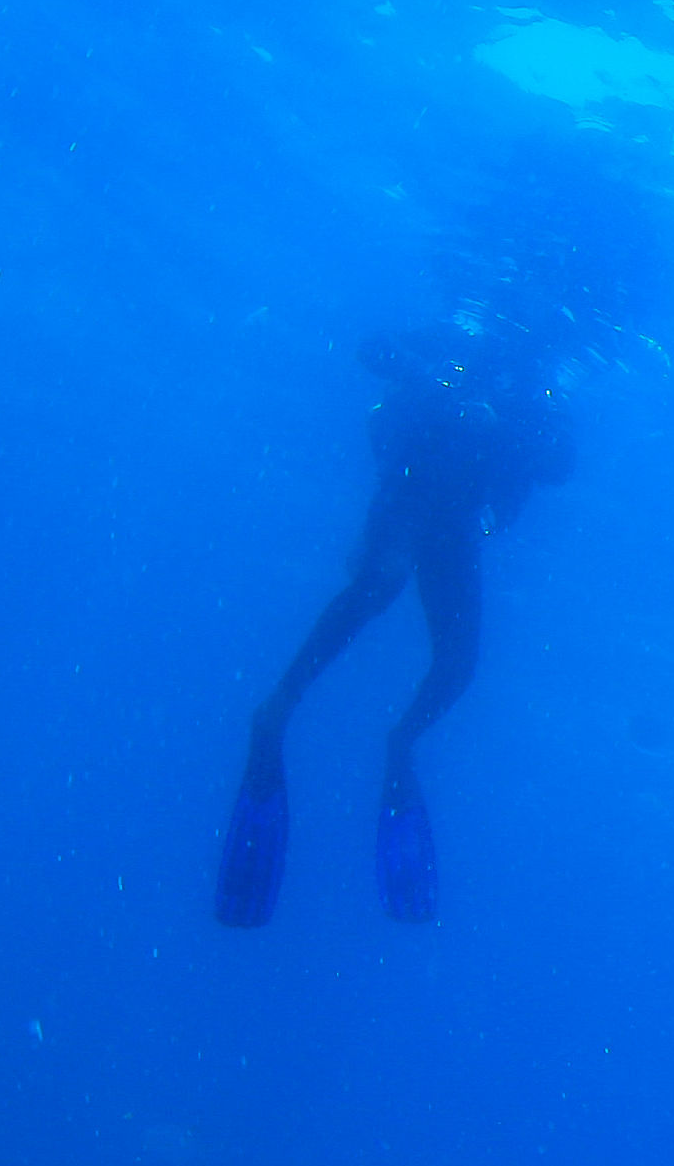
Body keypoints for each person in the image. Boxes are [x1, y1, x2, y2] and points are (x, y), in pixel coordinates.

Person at [213, 312, 575, 927]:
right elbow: (372, 348)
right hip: (412, 491)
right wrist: (440, 383)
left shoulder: (539, 386)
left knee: (458, 660)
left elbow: (558, 467)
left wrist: (520, 426)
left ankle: (398, 742)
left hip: (456, 525)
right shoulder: (459, 334)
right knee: (378, 587)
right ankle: (279, 711)